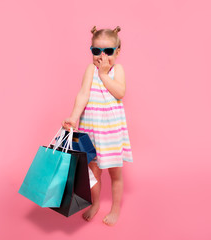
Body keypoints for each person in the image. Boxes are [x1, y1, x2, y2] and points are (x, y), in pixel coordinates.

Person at [61, 25, 133, 226]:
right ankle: (95, 204)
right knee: (93, 171)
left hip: (111, 131)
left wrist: (103, 75)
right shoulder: (89, 70)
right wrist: (73, 117)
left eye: (108, 51)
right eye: (96, 51)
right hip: (91, 130)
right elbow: (83, 95)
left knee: (115, 172)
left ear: (117, 52)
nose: (102, 57)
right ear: (91, 51)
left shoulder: (117, 70)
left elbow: (120, 92)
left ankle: (116, 209)